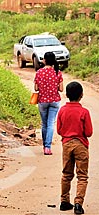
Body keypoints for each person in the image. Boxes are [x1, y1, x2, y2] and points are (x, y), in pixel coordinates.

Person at [57, 82, 93, 214]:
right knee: (82, 176)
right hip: (81, 145)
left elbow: (59, 130)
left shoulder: (62, 110)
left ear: (66, 95)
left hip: (66, 144)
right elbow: (88, 132)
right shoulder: (84, 112)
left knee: (66, 174)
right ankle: (78, 204)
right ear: (81, 95)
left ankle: (64, 201)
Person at [34, 51, 63, 155]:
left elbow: (36, 88)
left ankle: (44, 146)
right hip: (54, 101)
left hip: (42, 101)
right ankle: (48, 147)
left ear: (44, 60)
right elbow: (61, 89)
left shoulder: (39, 72)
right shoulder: (57, 72)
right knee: (51, 124)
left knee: (44, 124)